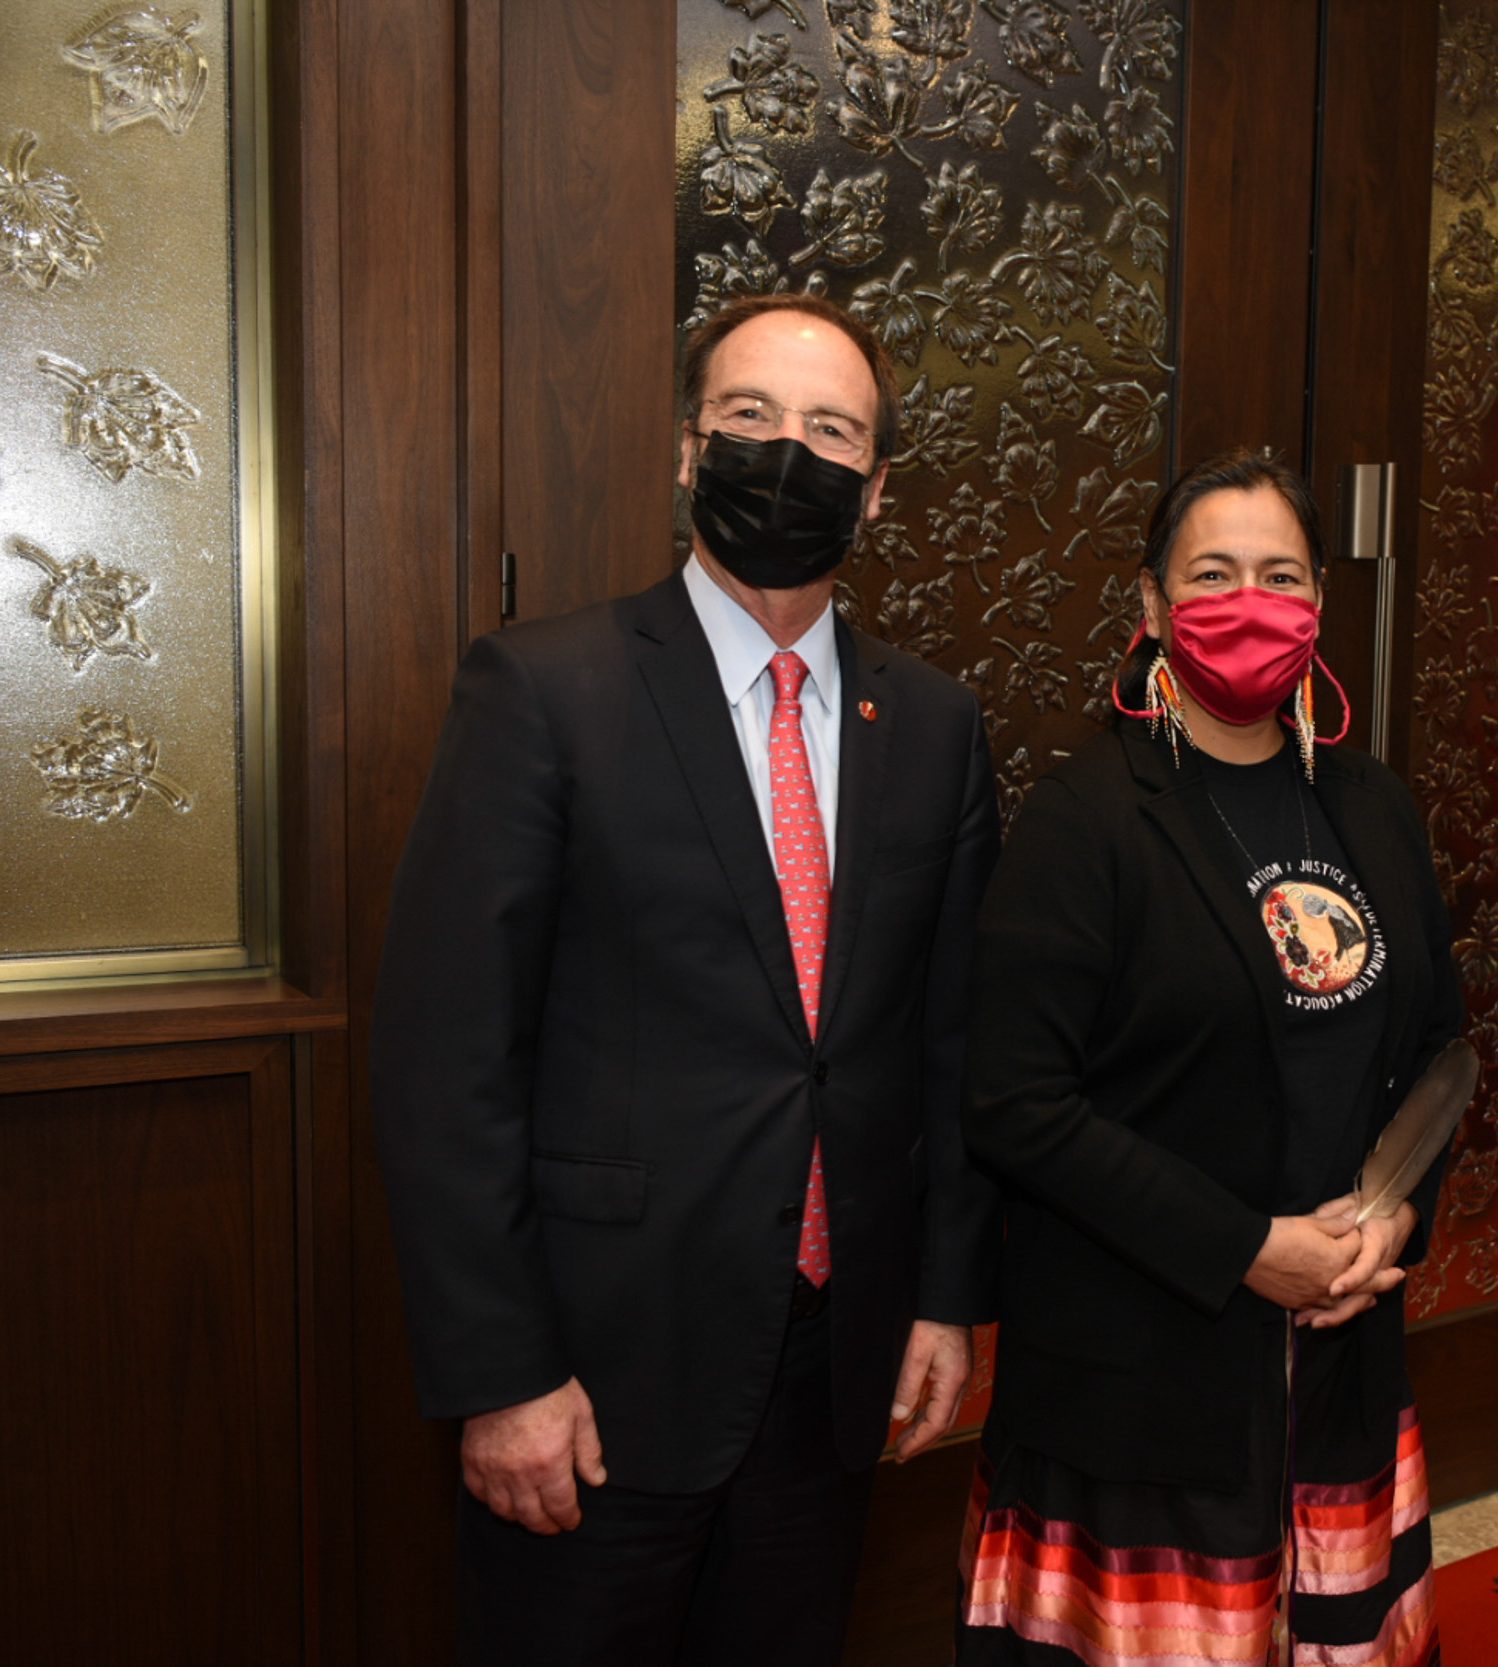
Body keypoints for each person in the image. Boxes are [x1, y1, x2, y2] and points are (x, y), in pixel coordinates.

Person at [372, 293, 1001, 1665]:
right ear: (686, 447)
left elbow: (948, 1043)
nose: (789, 452)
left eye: (831, 430)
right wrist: (504, 1374)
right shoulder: (545, 689)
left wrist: (946, 1297)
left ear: (878, 487)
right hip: (592, 1379)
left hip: (830, 1374)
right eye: (750, 418)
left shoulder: (938, 726)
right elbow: (445, 1059)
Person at [955, 451, 1464, 1667]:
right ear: (1150, 606)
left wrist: (1391, 1226)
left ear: (1319, 607)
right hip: (1140, 1383)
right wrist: (1247, 1250)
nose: (1251, 603)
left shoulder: (1373, 802)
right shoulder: (1085, 816)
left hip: (1338, 1364)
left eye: (1280, 575)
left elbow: (1438, 1051)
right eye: (1214, 575)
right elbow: (1015, 1103)